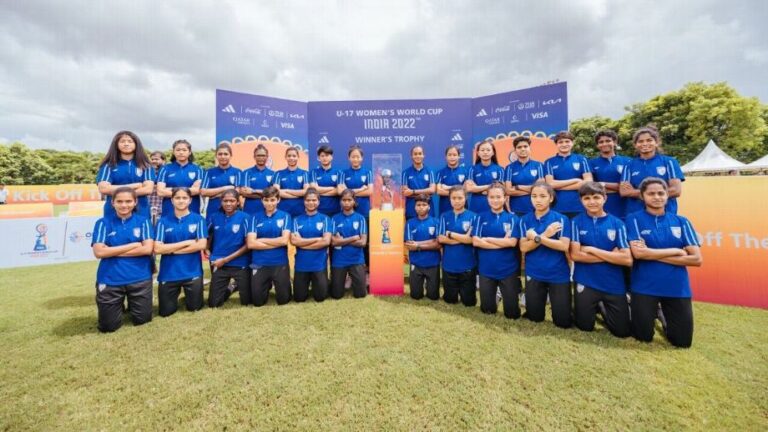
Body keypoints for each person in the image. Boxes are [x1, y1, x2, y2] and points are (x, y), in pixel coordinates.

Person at [626, 177, 702, 348]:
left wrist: (651, 253)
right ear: (642, 196)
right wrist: (677, 251)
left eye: (661, 193)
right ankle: (638, 308)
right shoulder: (634, 219)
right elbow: (638, 254)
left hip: (676, 288)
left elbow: (696, 259)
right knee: (642, 337)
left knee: (682, 342)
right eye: (651, 193)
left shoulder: (681, 222)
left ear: (668, 195)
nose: (657, 197)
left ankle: (661, 314)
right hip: (644, 286)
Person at [569, 182, 632, 337]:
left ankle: (603, 306)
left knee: (622, 332)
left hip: (613, 283)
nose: (592, 202)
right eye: (587, 198)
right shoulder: (576, 222)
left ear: (605, 198)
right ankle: (587, 305)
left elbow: (627, 260)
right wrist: (611, 255)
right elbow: (576, 255)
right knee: (584, 327)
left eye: (596, 197)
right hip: (586, 280)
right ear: (581, 201)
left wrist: (591, 250)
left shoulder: (618, 224)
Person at [90, 187, 154, 332]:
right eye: (119, 201)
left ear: (135, 202)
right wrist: (132, 245)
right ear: (112, 203)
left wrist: (110, 251)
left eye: (128, 201)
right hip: (111, 278)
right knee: (108, 327)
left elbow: (147, 249)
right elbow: (99, 252)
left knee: (143, 321)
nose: (124, 205)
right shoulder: (103, 223)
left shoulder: (143, 221)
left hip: (139, 278)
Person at [519, 181, 572, 328]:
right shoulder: (524, 220)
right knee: (534, 318)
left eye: (542, 196)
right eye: (534, 196)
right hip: (535, 273)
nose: (538, 200)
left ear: (551, 198)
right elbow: (523, 247)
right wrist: (546, 235)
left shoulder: (561, 219)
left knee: (562, 322)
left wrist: (538, 237)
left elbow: (563, 246)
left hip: (558, 274)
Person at [153, 187, 208, 317]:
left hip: (192, 272)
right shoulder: (162, 222)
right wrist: (187, 242)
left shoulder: (198, 220)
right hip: (169, 273)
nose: (181, 201)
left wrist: (170, 250)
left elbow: (201, 244)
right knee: (166, 313)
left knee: (194, 308)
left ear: (190, 200)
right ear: (172, 200)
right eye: (177, 198)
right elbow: (158, 249)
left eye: (184, 198)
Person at [472, 182, 521, 318]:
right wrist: (502, 242)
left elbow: (512, 243)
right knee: (487, 310)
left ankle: (504, 295)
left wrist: (487, 239)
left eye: (498, 197)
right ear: (487, 199)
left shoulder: (513, 218)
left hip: (508, 270)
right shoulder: (480, 217)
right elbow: (476, 241)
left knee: (512, 314)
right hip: (486, 270)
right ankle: (494, 296)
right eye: (492, 197)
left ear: (505, 198)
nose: (495, 200)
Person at [620, 126, 685, 215]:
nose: (645, 143)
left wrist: (637, 193)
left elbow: (676, 190)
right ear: (635, 145)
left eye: (649, 140)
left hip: (666, 213)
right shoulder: (629, 165)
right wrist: (660, 193)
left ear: (656, 143)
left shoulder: (669, 162)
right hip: (637, 214)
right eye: (640, 141)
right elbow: (624, 192)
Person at [246, 186, 292, 306]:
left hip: (279, 262)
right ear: (262, 201)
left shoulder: (285, 216)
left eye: (272, 200)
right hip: (259, 262)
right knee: (258, 302)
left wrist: (261, 240)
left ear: (278, 200)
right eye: (266, 200)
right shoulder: (254, 217)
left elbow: (284, 241)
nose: (269, 203)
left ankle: (276, 283)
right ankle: (266, 284)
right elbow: (251, 243)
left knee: (284, 300)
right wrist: (275, 242)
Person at [206, 189, 251, 308]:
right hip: (219, 263)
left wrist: (225, 260)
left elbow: (248, 245)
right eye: (225, 201)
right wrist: (206, 249)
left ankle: (236, 285)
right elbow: (208, 235)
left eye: (232, 201)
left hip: (240, 263)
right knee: (213, 304)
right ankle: (230, 288)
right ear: (221, 202)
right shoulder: (214, 217)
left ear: (238, 202)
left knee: (247, 301)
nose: (228, 204)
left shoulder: (246, 217)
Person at [96, 131, 155, 218]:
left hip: (141, 210)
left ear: (136, 144)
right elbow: (104, 189)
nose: (126, 144)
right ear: (116, 144)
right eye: (122, 141)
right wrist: (135, 185)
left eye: (130, 141)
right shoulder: (108, 165)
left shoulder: (146, 165)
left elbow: (148, 189)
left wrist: (118, 193)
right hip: (113, 211)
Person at [437, 186, 477, 306]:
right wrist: (464, 238)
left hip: (467, 266)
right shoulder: (444, 216)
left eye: (460, 198)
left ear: (465, 198)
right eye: (454, 198)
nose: (457, 201)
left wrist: (451, 234)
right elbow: (441, 238)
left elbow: (472, 240)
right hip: (449, 265)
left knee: (469, 303)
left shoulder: (474, 216)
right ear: (449, 199)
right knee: (450, 300)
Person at [290, 188, 332, 302]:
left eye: (314, 200)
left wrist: (302, 243)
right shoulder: (296, 220)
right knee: (299, 298)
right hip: (301, 265)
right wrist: (318, 239)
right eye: (308, 200)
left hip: (319, 265)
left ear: (318, 201)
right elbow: (294, 242)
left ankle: (323, 281)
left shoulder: (326, 219)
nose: (311, 203)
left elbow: (326, 242)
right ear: (304, 201)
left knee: (320, 297)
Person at [544, 131, 593, 219]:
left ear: (572, 143)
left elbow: (588, 182)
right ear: (556, 144)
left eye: (567, 141)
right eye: (560, 142)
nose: (564, 144)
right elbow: (550, 184)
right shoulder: (549, 162)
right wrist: (575, 180)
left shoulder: (581, 159)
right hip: (557, 207)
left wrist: (557, 185)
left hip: (579, 207)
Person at [330, 189, 368, 299]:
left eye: (349, 200)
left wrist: (342, 240)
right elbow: (333, 242)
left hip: (356, 260)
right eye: (344, 200)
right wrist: (354, 237)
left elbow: (363, 242)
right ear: (340, 202)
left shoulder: (360, 218)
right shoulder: (334, 219)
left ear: (354, 202)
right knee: (336, 295)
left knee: (361, 294)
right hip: (339, 261)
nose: (346, 202)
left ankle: (352, 279)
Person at [405, 194, 441, 300]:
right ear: (415, 207)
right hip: (416, 263)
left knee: (433, 297)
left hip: (433, 263)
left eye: (424, 205)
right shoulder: (410, 223)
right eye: (418, 205)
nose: (421, 207)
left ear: (429, 207)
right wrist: (431, 242)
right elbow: (410, 246)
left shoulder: (436, 222)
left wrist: (418, 245)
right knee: (415, 296)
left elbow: (438, 244)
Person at [589, 130, 632, 219]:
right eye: (601, 142)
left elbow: (630, 187)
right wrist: (619, 187)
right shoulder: (592, 163)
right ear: (597, 145)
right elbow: (592, 187)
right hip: (602, 207)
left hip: (625, 207)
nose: (604, 144)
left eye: (608, 141)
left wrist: (603, 184)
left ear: (615, 142)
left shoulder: (628, 161)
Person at [156, 140, 204, 216]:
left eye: (184, 150)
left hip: (192, 211)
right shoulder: (165, 169)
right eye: (178, 150)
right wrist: (188, 190)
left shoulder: (198, 169)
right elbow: (160, 192)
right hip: (169, 211)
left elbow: (197, 190)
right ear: (173, 152)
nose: (181, 152)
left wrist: (171, 189)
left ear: (190, 152)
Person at [201, 143, 242, 224]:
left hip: (232, 211)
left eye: (226, 154)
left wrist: (214, 195)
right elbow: (203, 192)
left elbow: (237, 192)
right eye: (220, 154)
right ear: (216, 156)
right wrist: (226, 188)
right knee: (212, 235)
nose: (223, 156)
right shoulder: (209, 172)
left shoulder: (238, 172)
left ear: (230, 155)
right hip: (213, 210)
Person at [504, 136, 545, 216]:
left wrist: (518, 187)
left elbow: (540, 189)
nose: (523, 149)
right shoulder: (509, 168)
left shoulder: (538, 165)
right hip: (516, 209)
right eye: (519, 147)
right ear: (515, 151)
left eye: (525, 146)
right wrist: (532, 190)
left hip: (536, 208)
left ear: (529, 148)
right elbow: (508, 191)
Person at [466, 139, 504, 214]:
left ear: (493, 152)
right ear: (478, 153)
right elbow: (469, 188)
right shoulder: (472, 169)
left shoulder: (500, 169)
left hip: (494, 206)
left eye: (488, 150)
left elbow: (500, 188)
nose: (485, 152)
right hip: (476, 206)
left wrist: (478, 189)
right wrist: (490, 186)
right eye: (482, 150)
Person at [239, 144, 277, 216]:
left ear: (267, 157)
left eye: (263, 155)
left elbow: (273, 194)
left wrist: (253, 191)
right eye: (258, 155)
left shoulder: (273, 174)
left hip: (268, 211)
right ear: (254, 157)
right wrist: (267, 196)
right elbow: (245, 193)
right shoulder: (246, 172)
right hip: (250, 211)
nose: (261, 158)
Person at [401, 145, 436, 219]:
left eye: (420, 153)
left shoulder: (430, 171)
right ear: (411, 156)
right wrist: (426, 192)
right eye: (415, 154)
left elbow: (432, 190)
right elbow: (406, 192)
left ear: (423, 155)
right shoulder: (405, 173)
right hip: (411, 209)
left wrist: (413, 192)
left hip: (428, 210)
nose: (418, 156)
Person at [338, 145, 373, 219]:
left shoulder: (368, 172)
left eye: (358, 157)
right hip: (347, 211)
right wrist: (361, 189)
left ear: (362, 158)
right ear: (349, 158)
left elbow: (370, 191)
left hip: (364, 210)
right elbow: (341, 192)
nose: (355, 159)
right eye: (353, 157)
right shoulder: (342, 173)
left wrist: (349, 193)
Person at [276, 146, 310, 217]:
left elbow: (306, 192)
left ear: (298, 157)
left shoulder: (304, 173)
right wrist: (298, 195)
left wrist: (286, 190)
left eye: (294, 156)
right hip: (283, 210)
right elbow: (277, 192)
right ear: (285, 157)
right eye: (289, 156)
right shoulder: (278, 173)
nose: (291, 158)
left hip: (300, 211)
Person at [435, 145, 469, 214]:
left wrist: (447, 187)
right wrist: (459, 193)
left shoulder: (465, 172)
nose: (452, 157)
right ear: (446, 157)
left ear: (459, 156)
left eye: (454, 155)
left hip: (462, 208)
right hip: (445, 208)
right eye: (449, 155)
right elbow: (439, 191)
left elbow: (466, 189)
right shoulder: (440, 173)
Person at [310, 145, 342, 217]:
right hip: (318, 211)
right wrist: (332, 188)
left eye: (327, 155)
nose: (324, 158)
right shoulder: (313, 172)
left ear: (331, 157)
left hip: (335, 211)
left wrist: (320, 191)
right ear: (319, 158)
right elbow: (314, 190)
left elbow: (339, 191)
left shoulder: (339, 172)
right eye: (322, 156)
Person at [148, 151, 166, 223]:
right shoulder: (148, 172)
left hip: (162, 202)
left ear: (163, 161)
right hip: (150, 201)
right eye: (152, 159)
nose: (154, 161)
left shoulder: (167, 172)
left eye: (156, 159)